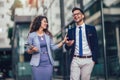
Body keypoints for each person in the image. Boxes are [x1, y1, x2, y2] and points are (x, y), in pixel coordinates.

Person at [25, 15, 66, 80]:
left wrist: (63, 42)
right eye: (44, 21)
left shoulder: (48, 35)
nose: (46, 23)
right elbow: (27, 49)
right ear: (39, 22)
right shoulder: (32, 35)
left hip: (48, 64)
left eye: (47, 22)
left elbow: (53, 47)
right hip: (37, 65)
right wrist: (33, 50)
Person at [65, 7, 99, 80]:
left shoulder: (91, 28)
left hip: (88, 59)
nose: (76, 16)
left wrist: (93, 60)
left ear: (83, 16)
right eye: (74, 15)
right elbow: (67, 47)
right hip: (75, 59)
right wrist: (68, 45)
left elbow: (95, 45)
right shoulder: (71, 31)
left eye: (78, 14)